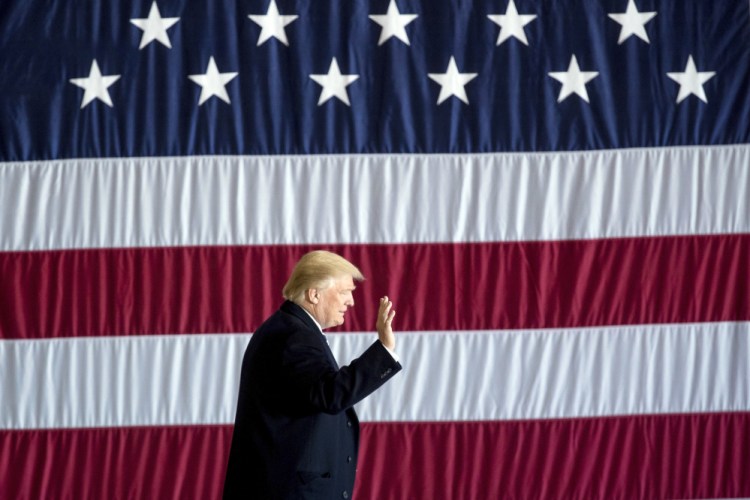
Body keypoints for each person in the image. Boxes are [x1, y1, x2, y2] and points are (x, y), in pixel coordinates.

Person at [223, 250, 402, 499]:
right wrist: (384, 350)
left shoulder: (291, 328)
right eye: (343, 292)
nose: (351, 301)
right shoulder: (294, 336)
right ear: (314, 294)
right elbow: (330, 394)